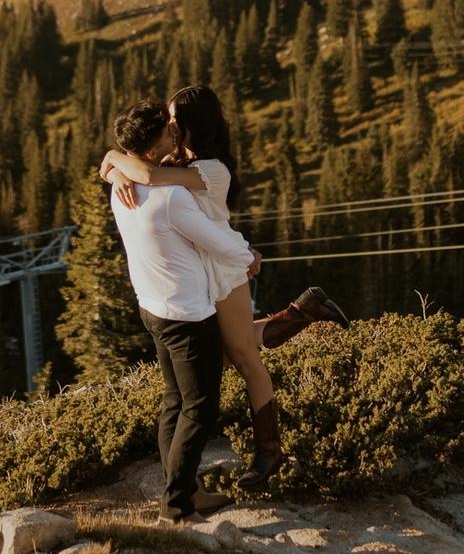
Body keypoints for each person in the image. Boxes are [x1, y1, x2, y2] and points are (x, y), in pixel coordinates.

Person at [101, 84, 349, 489]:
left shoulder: (211, 170)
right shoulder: (179, 159)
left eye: (175, 119)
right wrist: (114, 167)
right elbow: (139, 168)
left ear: (194, 123)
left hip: (224, 269)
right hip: (197, 274)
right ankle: (303, 311)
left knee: (244, 358)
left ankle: (268, 451)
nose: (169, 126)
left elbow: (146, 173)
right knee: (222, 355)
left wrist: (115, 160)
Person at [106, 98, 255, 523]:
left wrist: (114, 164)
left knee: (175, 400)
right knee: (200, 408)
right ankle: (176, 506)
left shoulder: (122, 187)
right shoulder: (170, 196)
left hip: (152, 308)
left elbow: (124, 167)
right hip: (188, 315)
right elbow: (217, 242)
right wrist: (250, 256)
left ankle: (185, 490)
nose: (175, 133)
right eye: (167, 132)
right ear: (152, 151)